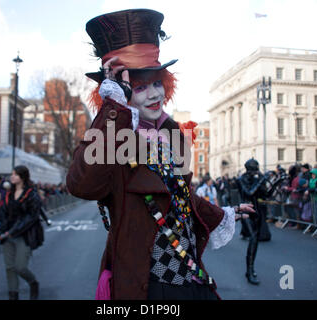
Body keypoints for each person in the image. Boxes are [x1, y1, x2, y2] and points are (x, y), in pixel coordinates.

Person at [66, 8, 256, 300]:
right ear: (116, 90)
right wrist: (113, 106)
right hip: (149, 287)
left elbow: (180, 196)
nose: (154, 94)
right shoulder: (112, 136)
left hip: (189, 278)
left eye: (157, 83)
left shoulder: (169, 135)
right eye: (140, 87)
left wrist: (223, 214)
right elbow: (82, 184)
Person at [0, 165, 42, 300]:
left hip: (24, 235)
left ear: (22, 177)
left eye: (15, 174)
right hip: (7, 235)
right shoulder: (8, 194)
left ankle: (33, 283)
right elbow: (2, 214)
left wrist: (14, 231)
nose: (12, 176)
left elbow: (31, 216)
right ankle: (13, 295)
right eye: (12, 174)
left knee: (20, 267)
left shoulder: (31, 194)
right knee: (9, 268)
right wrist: (0, 230)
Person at [237, 158, 273, 285]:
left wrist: (276, 182)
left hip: (256, 212)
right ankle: (250, 271)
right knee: (252, 238)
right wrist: (261, 180)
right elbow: (249, 192)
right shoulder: (241, 179)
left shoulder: (257, 179)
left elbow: (266, 195)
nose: (257, 171)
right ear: (250, 169)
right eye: (255, 168)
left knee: (255, 241)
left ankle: (250, 270)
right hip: (246, 212)